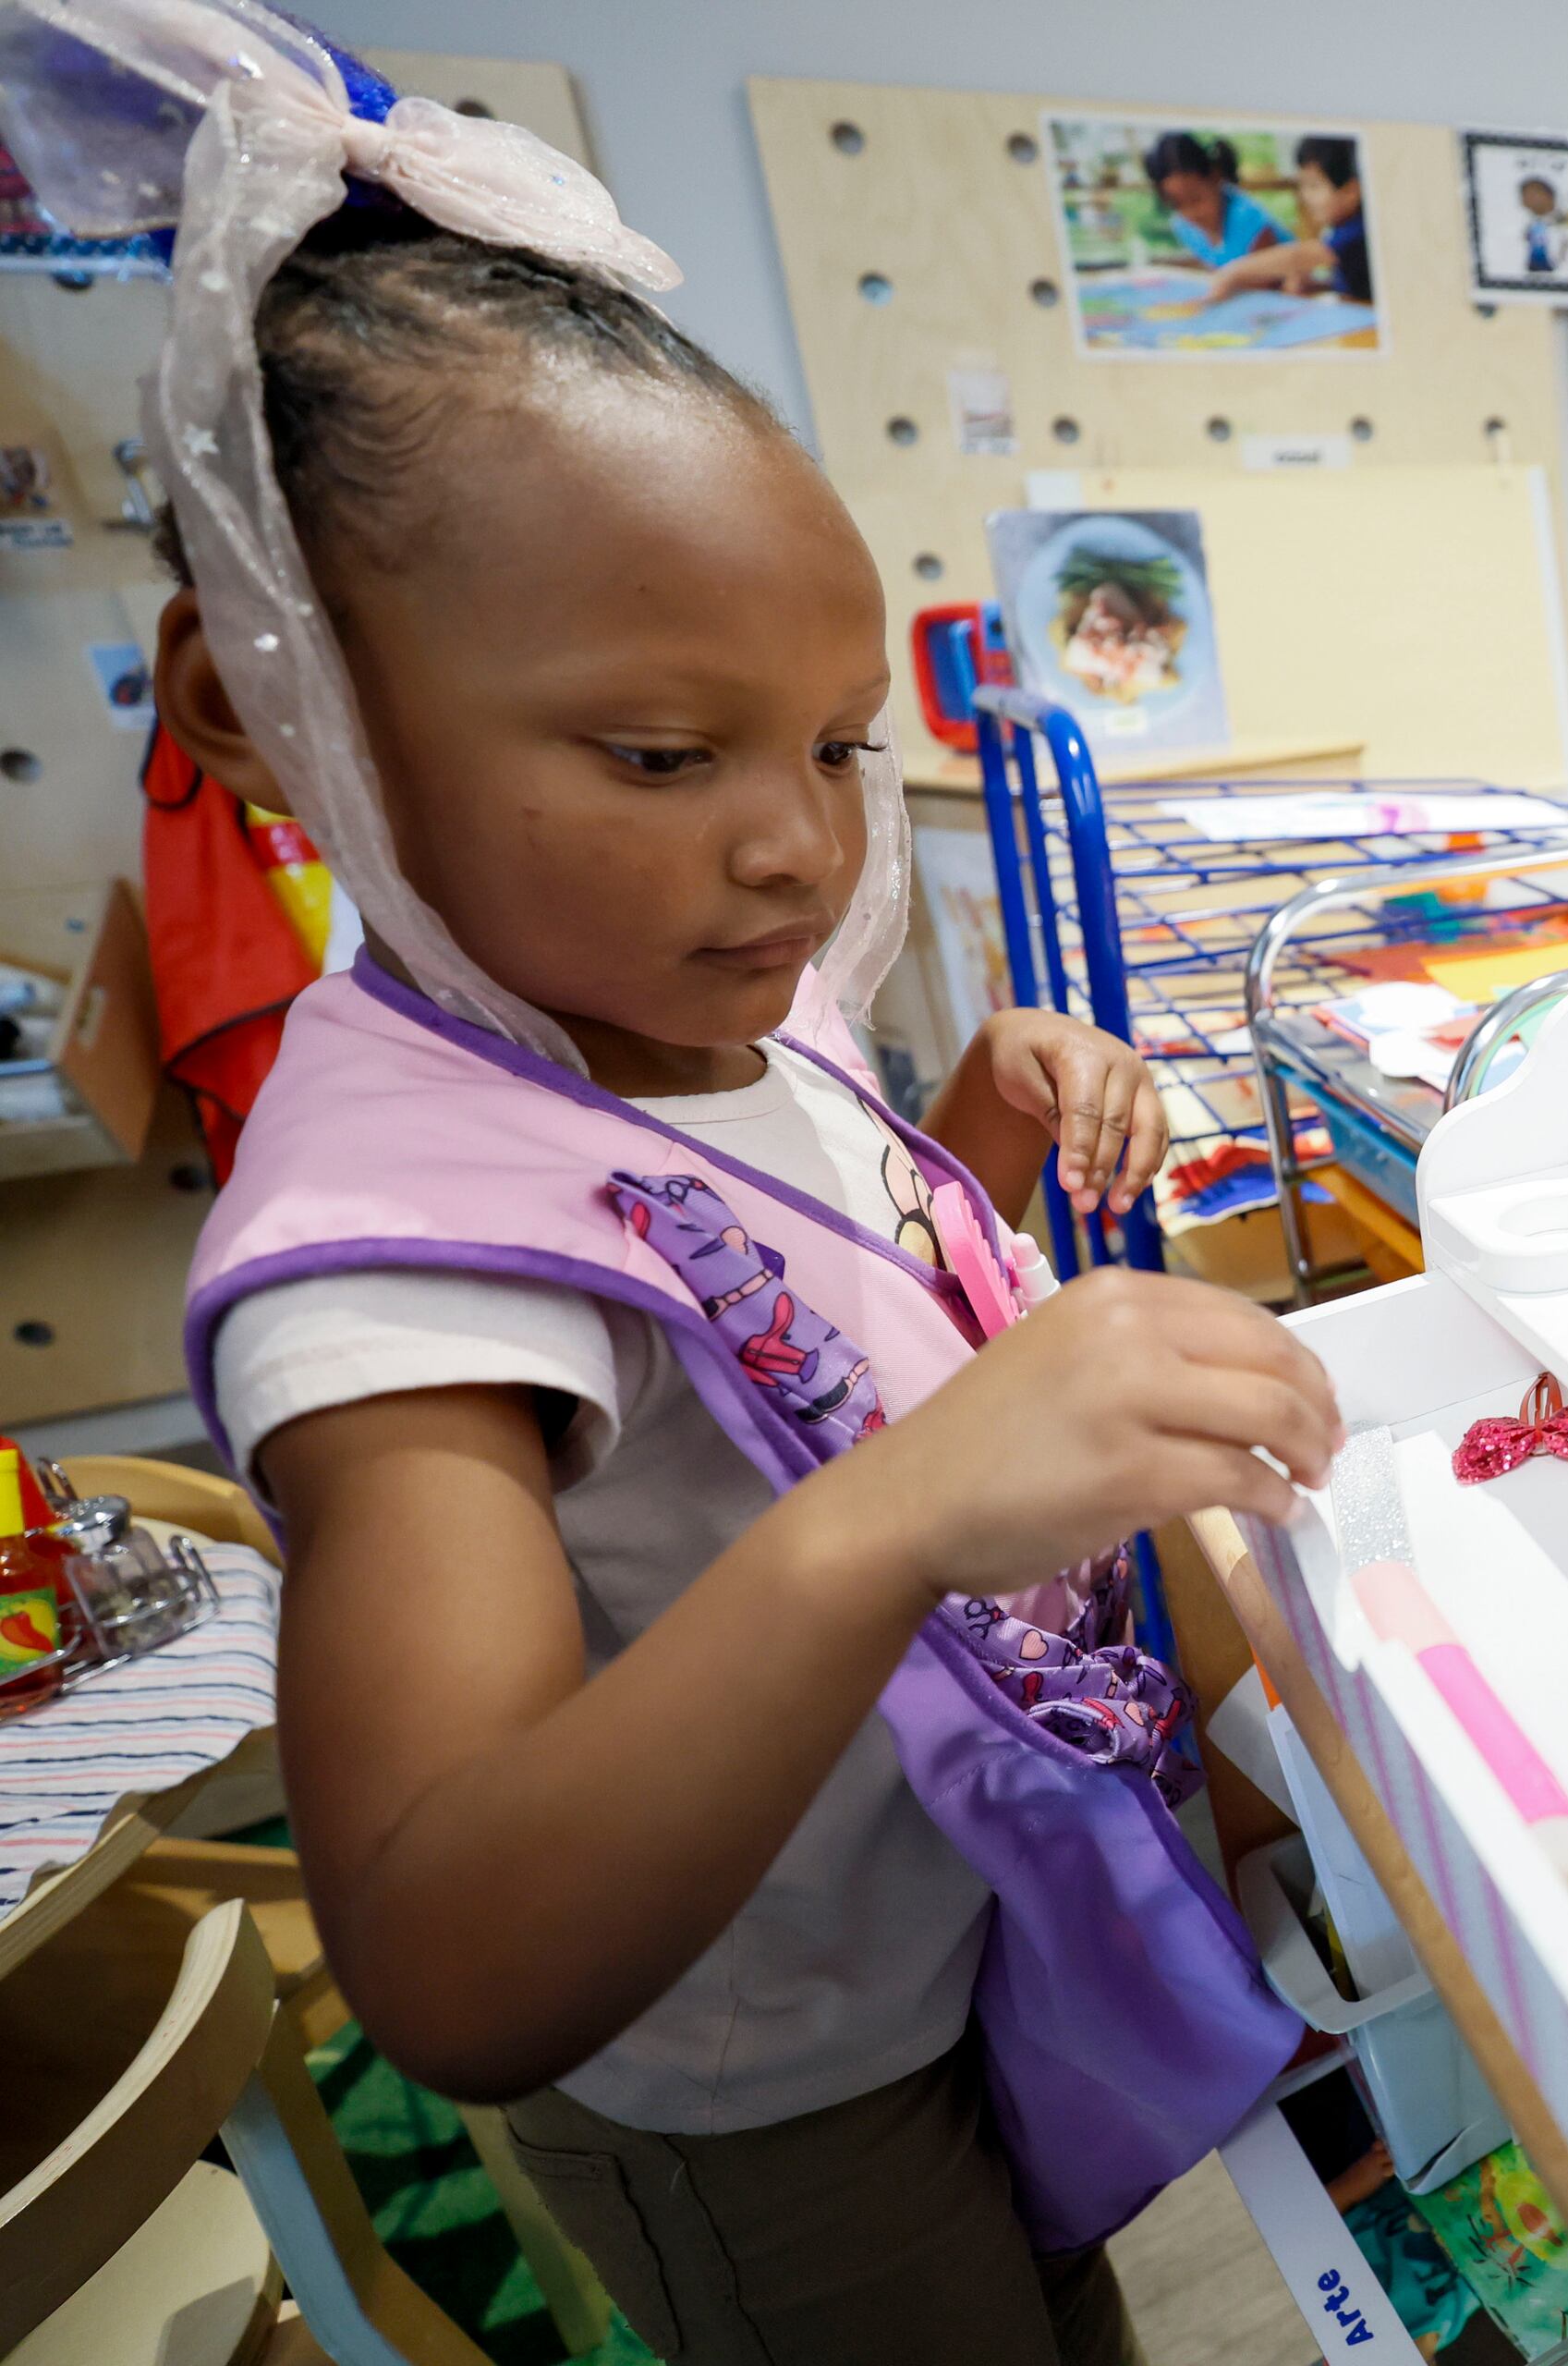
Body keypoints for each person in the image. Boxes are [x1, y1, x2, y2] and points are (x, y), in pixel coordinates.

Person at [96, 18, 1341, 2359]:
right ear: (264, 695)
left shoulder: (722, 1017)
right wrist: (889, 1526)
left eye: (836, 742)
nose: (797, 839)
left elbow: (787, 1306)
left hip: (947, 1937)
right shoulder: (390, 1279)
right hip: (762, 2100)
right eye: (663, 754)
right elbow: (449, 1953)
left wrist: (963, 1125)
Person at [1203, 133, 1371, 308]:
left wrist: (1232, 272)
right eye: (1302, 185)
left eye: (1314, 186)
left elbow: (1297, 256)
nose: (1306, 197)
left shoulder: (1359, 229)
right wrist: (1318, 285)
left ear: (1351, 191)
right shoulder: (1341, 226)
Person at [1143, 129, 1281, 272]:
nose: (1191, 213)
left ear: (1215, 177)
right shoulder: (1184, 227)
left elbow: (1266, 277)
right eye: (1177, 204)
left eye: (1196, 199)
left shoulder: (1248, 217)